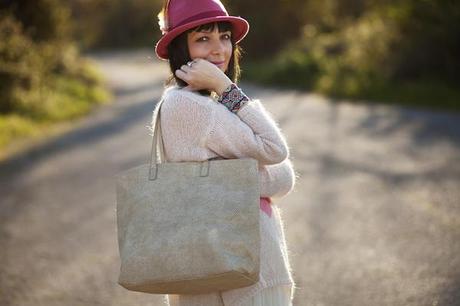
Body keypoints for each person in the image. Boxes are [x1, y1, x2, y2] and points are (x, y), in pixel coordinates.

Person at [154, 0, 297, 305]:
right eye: (203, 39)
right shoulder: (192, 106)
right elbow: (276, 152)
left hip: (209, 263)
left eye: (225, 37)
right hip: (247, 263)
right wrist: (225, 85)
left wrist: (237, 176)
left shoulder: (193, 103)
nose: (219, 50)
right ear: (181, 48)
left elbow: (270, 172)